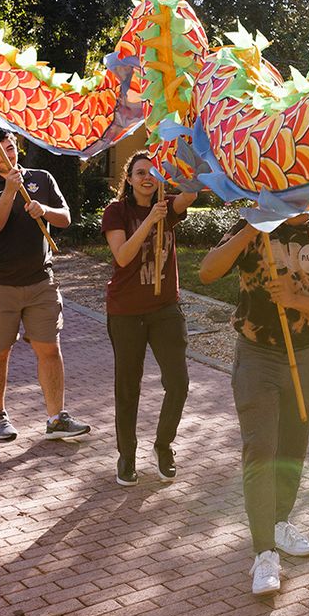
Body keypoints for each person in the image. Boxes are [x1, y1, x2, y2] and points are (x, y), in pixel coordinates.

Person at [199, 213, 309, 597]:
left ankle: (280, 521)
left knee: (293, 446)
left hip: (306, 357)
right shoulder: (252, 229)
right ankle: (264, 552)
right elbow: (207, 272)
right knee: (261, 450)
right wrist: (253, 226)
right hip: (257, 356)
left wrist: (296, 299)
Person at [0, 127, 90, 443]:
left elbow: (65, 218)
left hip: (40, 280)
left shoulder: (42, 178)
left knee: (49, 347)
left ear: (17, 146)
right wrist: (9, 192)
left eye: (9, 148)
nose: (6, 155)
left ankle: (56, 417)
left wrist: (43, 209)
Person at [103, 151, 199, 486]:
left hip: (164, 310)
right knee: (128, 387)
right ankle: (126, 454)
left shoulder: (167, 205)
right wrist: (150, 220)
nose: (147, 178)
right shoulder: (117, 211)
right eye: (140, 172)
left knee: (179, 383)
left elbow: (192, 192)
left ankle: (163, 445)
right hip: (126, 311)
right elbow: (123, 256)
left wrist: (186, 158)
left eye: (153, 172)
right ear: (128, 179)